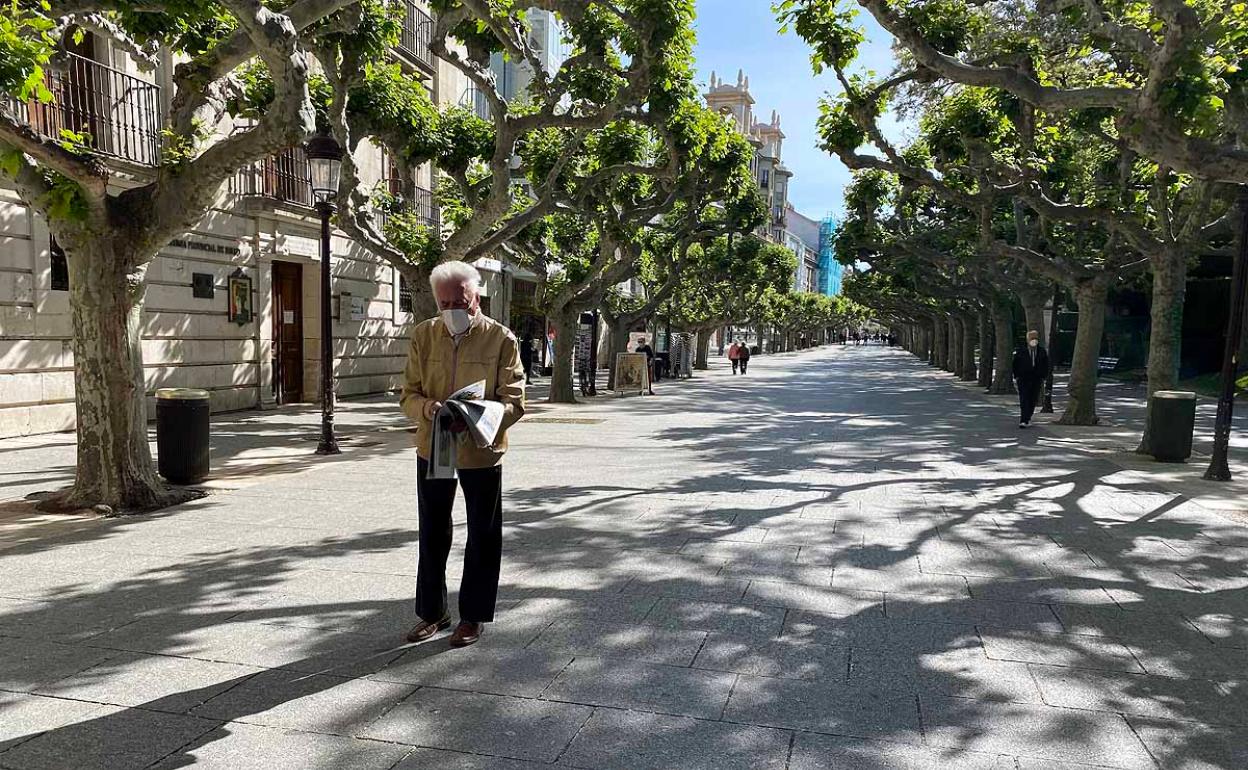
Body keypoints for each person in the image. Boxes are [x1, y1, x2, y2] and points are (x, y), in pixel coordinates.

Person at [399, 261, 525, 648]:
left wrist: (480, 417)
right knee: (432, 530)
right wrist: (427, 409)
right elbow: (409, 393)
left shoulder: (502, 339)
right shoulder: (424, 335)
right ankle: (432, 612)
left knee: (483, 535)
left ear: (477, 297)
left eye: (461, 300)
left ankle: (473, 616)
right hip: (433, 445)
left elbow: (514, 401)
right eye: (445, 302)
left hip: (481, 450)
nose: (453, 308)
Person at [1012, 330, 1051, 429]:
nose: (1033, 340)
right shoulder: (1021, 351)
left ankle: (1028, 417)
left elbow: (1046, 364)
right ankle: (1023, 419)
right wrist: (1016, 375)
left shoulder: (1041, 351)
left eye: (1035, 338)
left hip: (1036, 378)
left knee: (1033, 399)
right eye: (1031, 338)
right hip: (1023, 378)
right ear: (1027, 339)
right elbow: (1015, 364)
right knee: (1024, 399)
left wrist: (1044, 376)